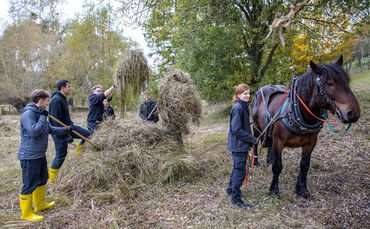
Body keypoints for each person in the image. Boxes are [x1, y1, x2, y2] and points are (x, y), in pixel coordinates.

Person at [18, 89, 73, 222]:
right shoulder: (29, 114)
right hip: (29, 156)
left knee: (42, 179)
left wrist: (65, 129)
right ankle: (26, 214)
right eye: (47, 100)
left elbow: (49, 129)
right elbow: (34, 132)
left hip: (39, 154)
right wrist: (43, 116)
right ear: (41, 100)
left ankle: (40, 204)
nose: (48, 103)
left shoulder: (39, 112)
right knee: (29, 183)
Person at [48, 79, 91, 183]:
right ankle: (51, 180)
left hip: (69, 127)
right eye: (69, 86)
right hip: (59, 132)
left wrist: (69, 128)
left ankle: (79, 155)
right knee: (60, 156)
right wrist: (66, 135)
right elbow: (56, 120)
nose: (70, 88)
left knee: (89, 134)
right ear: (62, 88)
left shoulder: (62, 98)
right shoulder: (56, 100)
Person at [226, 83, 258, 209]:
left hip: (239, 145)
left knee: (237, 168)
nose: (248, 96)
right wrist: (252, 139)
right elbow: (236, 129)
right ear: (238, 95)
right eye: (245, 93)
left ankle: (230, 189)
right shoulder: (238, 108)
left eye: (249, 93)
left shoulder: (242, 107)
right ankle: (235, 199)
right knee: (240, 171)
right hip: (238, 146)